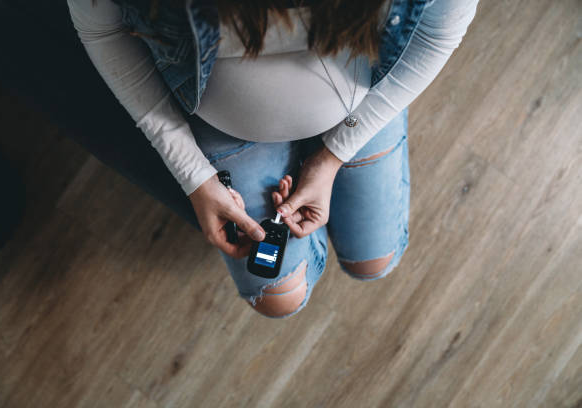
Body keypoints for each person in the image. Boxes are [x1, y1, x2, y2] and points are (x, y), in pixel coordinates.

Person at [67, 0, 479, 318]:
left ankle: (335, 145)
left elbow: (436, 35)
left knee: (374, 262)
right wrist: (192, 174)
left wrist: (332, 156)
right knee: (277, 298)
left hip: (359, 103)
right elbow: (103, 31)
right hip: (221, 121)